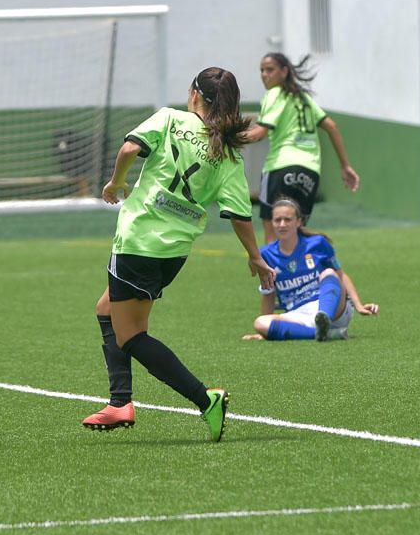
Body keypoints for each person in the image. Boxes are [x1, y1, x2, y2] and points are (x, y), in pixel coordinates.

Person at [81, 67, 276, 442]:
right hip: (173, 252)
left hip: (138, 241)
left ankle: (205, 400)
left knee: (132, 336)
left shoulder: (170, 119)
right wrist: (254, 256)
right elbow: (238, 213)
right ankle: (120, 401)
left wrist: (116, 182)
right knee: (106, 308)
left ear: (195, 95)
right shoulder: (228, 152)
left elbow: (129, 149)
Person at [245, 52, 360, 243]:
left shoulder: (273, 94)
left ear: (284, 71)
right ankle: (313, 262)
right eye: (262, 70)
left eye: (270, 69)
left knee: (273, 236)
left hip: (280, 168)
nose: (264, 74)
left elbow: (259, 133)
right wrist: (345, 165)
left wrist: (227, 138)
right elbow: (332, 126)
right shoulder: (303, 98)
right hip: (310, 171)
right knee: (296, 234)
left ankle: (274, 273)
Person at [241, 197, 378, 341]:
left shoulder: (318, 243)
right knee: (261, 322)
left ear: (299, 221)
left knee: (329, 272)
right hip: (299, 315)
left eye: (287, 219)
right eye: (277, 220)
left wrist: (359, 305)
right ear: (272, 223)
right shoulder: (266, 254)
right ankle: (327, 333)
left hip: (331, 308)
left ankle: (323, 319)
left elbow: (340, 275)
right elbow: (269, 294)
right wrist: (265, 332)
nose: (282, 224)